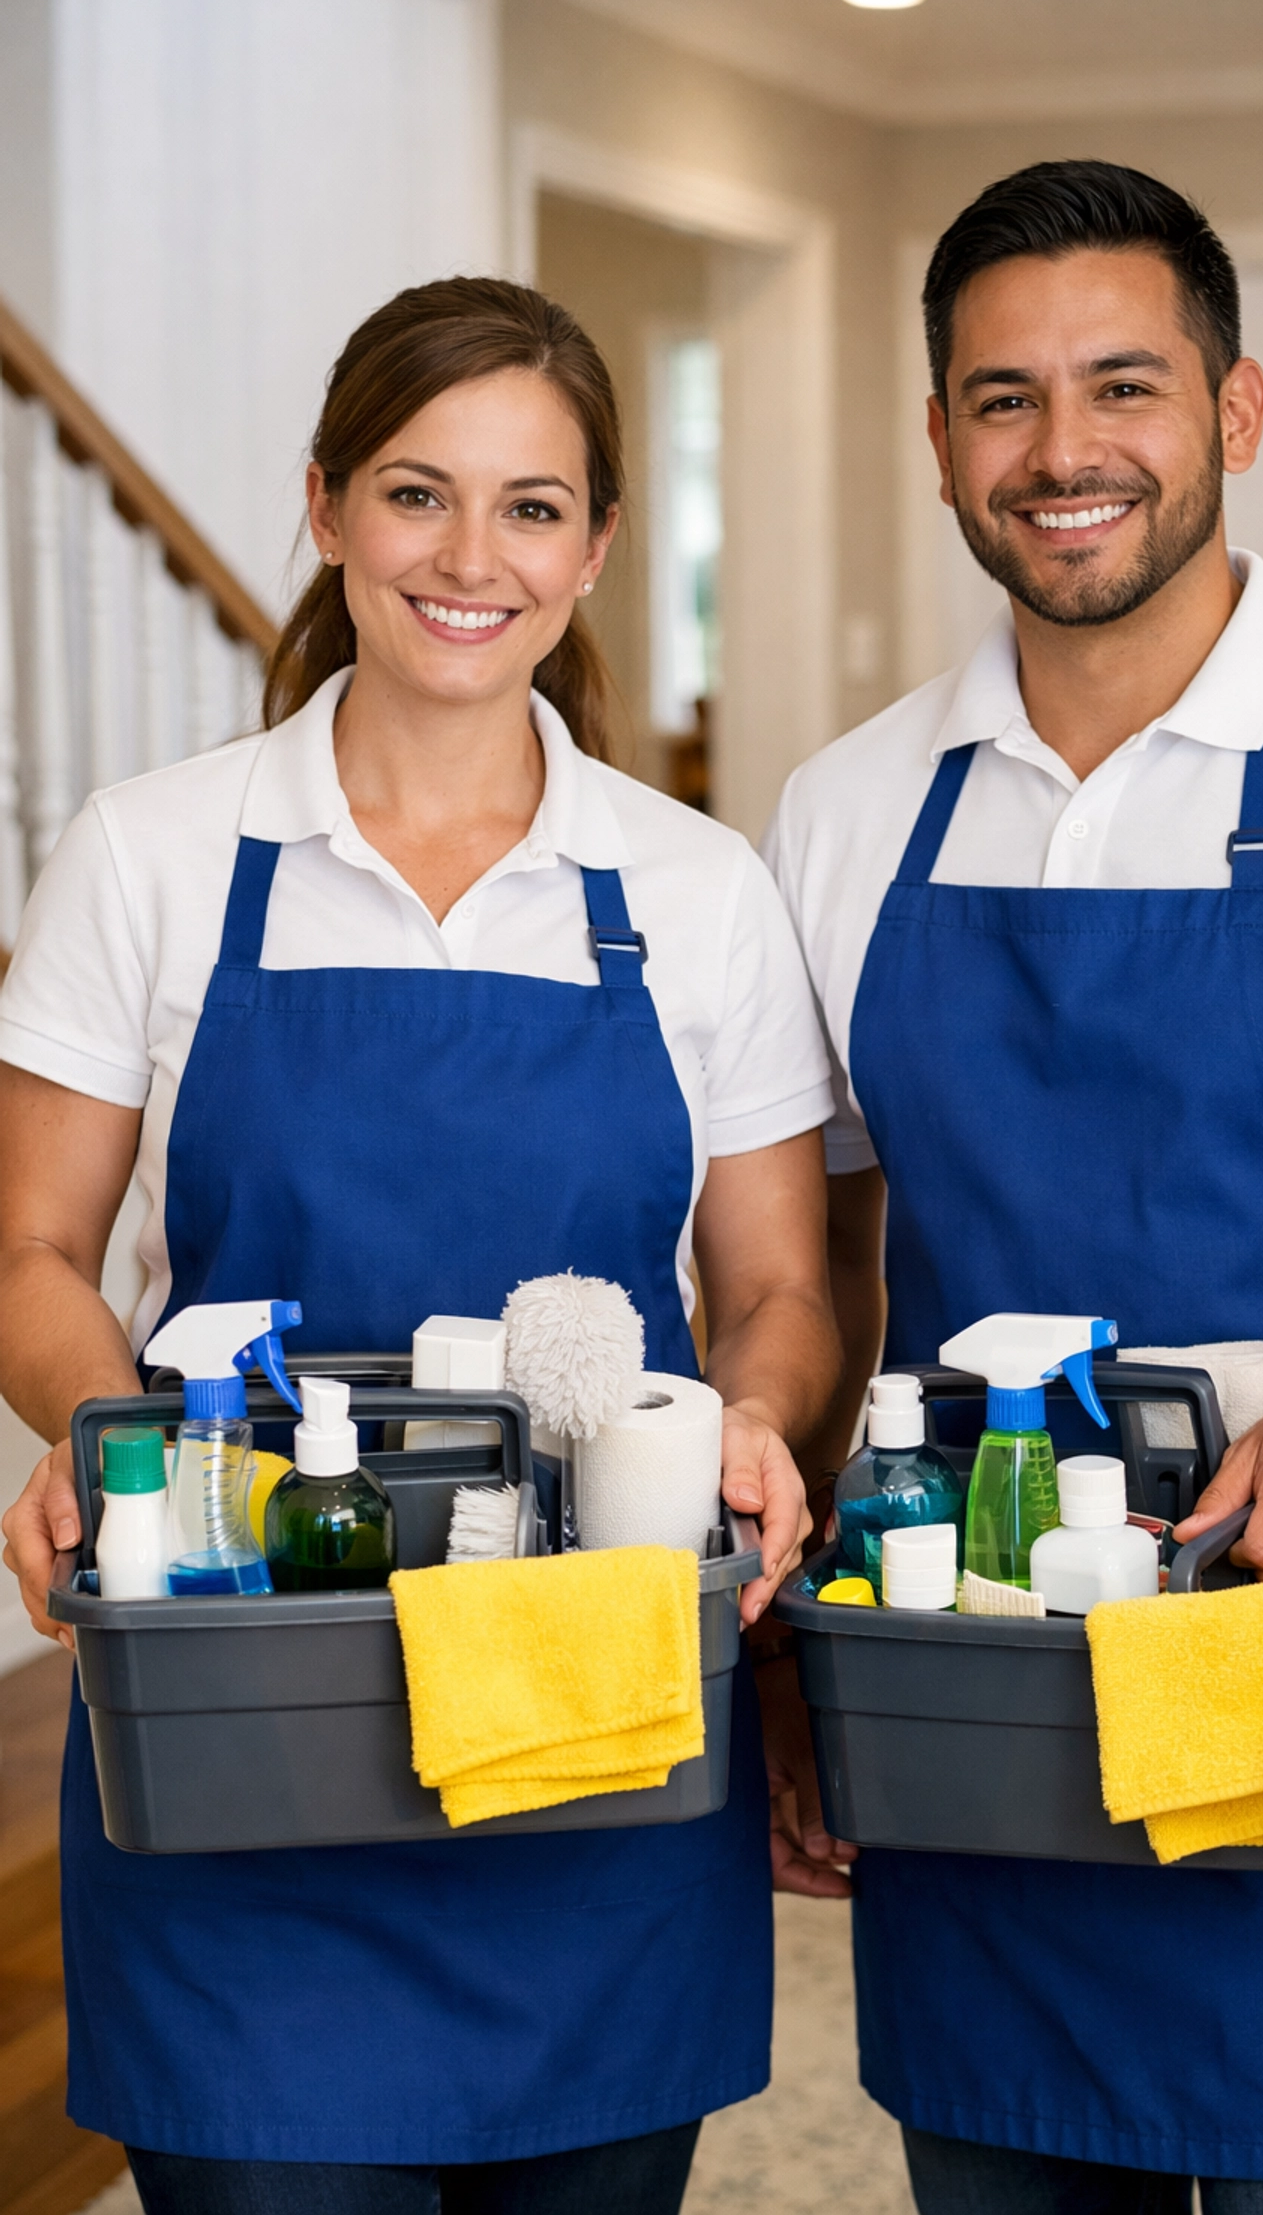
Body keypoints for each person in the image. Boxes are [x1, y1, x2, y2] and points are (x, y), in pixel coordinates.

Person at [0, 276, 842, 2215]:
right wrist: (111, 1441)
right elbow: (33, 1251)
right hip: (243, 1713)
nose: (474, 558)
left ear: (602, 545)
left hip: (596, 1710)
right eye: (417, 493)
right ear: (325, 507)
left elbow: (782, 1291)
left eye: (534, 507)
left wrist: (758, 1423)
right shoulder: (152, 853)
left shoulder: (695, 893)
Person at [764, 161, 1263, 2211]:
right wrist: (794, 1657)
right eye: (1001, 398)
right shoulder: (844, 816)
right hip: (984, 1710)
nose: (1064, 449)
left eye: (1125, 384)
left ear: (1236, 410)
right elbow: (827, 1274)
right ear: (937, 440)